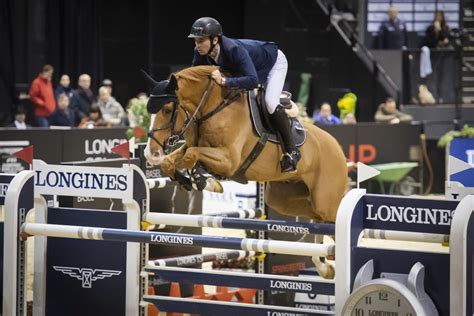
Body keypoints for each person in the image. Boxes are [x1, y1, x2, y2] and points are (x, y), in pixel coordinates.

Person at [188, 17, 300, 173]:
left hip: (274, 63)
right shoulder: (200, 53)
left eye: (201, 41)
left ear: (214, 40)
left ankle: (292, 151)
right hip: (249, 68)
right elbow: (196, 77)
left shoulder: (234, 50)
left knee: (270, 102)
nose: (197, 45)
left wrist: (225, 81)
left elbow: (253, 81)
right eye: (195, 41)